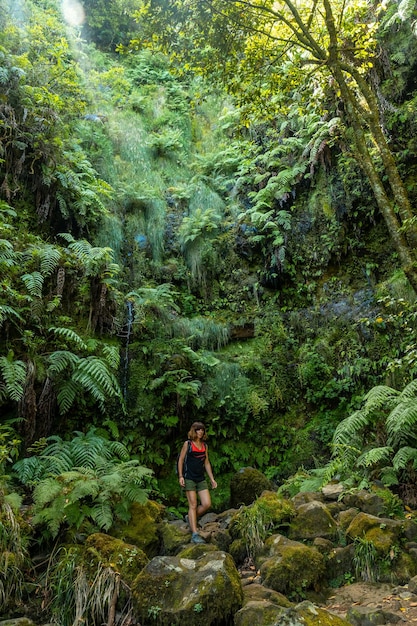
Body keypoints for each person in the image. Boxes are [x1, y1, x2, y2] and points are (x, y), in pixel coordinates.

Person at [178, 421, 217, 544]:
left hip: (200, 478)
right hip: (189, 477)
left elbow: (206, 463)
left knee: (207, 503)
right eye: (198, 430)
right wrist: (180, 476)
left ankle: (190, 518)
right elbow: (181, 460)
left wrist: (212, 479)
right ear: (193, 431)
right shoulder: (187, 444)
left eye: (202, 430)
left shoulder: (204, 446)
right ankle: (194, 534)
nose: (200, 432)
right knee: (193, 505)